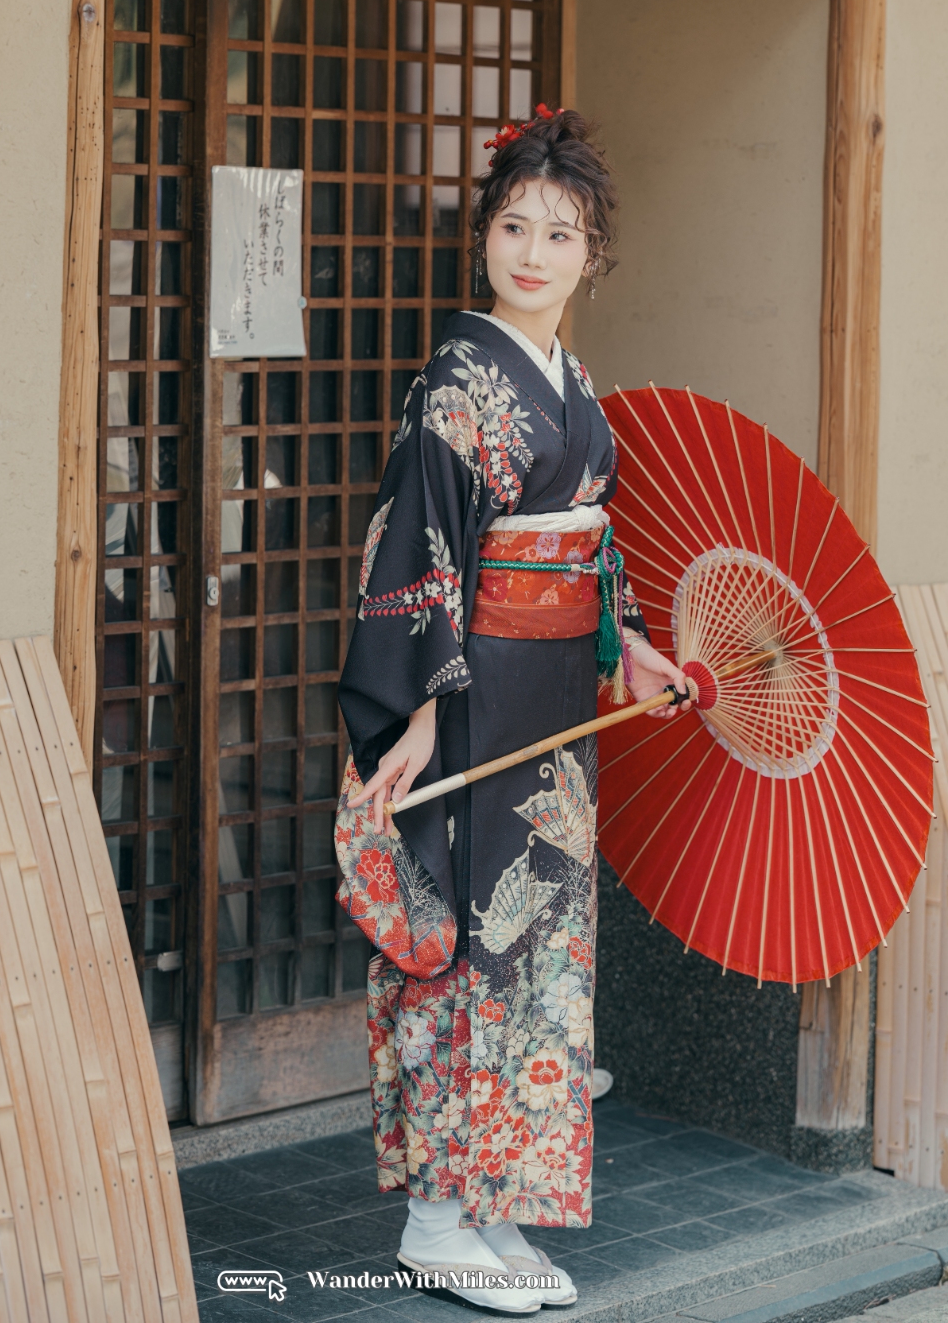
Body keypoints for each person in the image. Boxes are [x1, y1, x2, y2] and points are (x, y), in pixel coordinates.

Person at [334, 106, 691, 1313]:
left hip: (551, 714)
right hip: (473, 697)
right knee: (460, 942)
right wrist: (424, 712)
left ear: (595, 255)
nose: (533, 253)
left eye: (561, 233)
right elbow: (415, 550)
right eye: (514, 227)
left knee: (537, 949)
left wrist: (631, 649)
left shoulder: (571, 384)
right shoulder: (458, 379)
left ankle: (497, 1206)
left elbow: (591, 545)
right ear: (483, 235)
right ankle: (435, 1221)